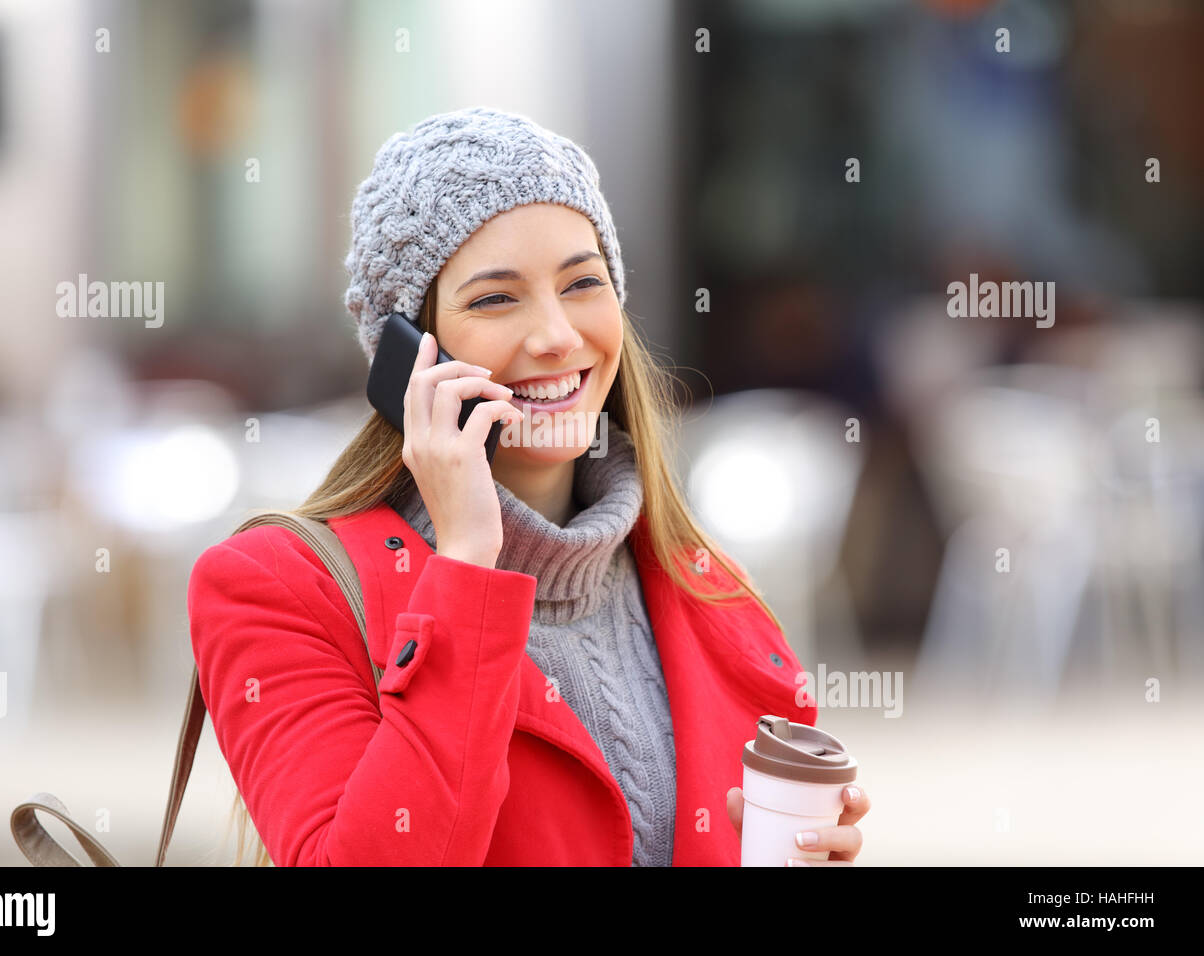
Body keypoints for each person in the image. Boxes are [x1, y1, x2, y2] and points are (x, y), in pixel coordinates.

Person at [186, 106, 869, 866]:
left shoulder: (713, 593)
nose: (556, 336)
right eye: (495, 298)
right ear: (406, 356)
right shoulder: (277, 588)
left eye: (583, 284)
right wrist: (469, 561)